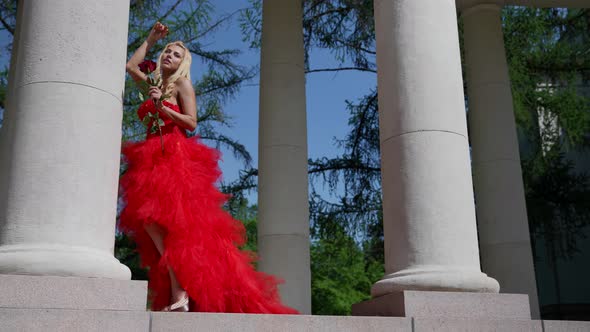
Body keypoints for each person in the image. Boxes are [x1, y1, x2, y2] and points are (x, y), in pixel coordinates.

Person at [120, 22, 297, 314]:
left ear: (183, 63)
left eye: (176, 55)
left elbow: (191, 122)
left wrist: (162, 108)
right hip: (149, 159)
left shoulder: (181, 85)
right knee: (151, 223)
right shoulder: (154, 84)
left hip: (173, 157)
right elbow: (130, 65)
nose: (169, 57)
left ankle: (182, 293)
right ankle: (180, 289)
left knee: (177, 228)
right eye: (167, 52)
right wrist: (151, 39)